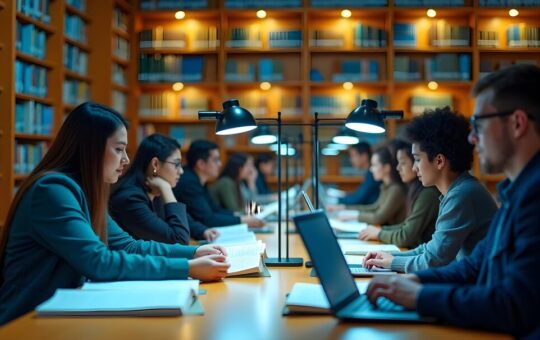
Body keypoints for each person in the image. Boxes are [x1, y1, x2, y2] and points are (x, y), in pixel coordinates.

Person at [0, 103, 230, 325]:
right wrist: (187, 268)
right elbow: (99, 262)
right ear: (91, 149)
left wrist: (194, 252)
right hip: (25, 321)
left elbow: (128, 246)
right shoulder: (51, 191)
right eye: (119, 149)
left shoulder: (86, 191)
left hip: (60, 314)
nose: (126, 160)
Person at [365, 64, 540, 338]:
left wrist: (420, 296)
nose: (472, 138)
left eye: (479, 124)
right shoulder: (515, 194)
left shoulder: (534, 198)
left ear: (517, 123)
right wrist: (415, 280)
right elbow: (473, 265)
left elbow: (514, 306)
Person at [363, 107, 497, 273]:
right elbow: (430, 249)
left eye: (417, 159)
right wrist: (389, 257)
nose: (414, 167)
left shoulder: (461, 195)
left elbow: (434, 260)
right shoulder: (457, 190)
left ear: (439, 161)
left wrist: (392, 263)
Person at [110, 134, 219, 244]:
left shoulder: (153, 190)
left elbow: (183, 219)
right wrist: (166, 189)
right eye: (176, 164)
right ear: (155, 164)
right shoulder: (130, 199)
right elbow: (179, 240)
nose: (181, 171)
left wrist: (203, 231)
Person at [359, 140, 439, 248]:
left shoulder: (427, 194)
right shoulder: (415, 190)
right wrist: (380, 230)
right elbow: (405, 226)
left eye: (403, 163)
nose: (397, 168)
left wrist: (379, 233)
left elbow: (405, 236)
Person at [173, 140, 263, 228]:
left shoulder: (200, 181)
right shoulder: (190, 183)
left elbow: (214, 209)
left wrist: (243, 215)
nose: (220, 164)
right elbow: (208, 219)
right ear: (201, 164)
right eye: (216, 160)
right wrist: (243, 219)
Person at [348, 147, 407, 225]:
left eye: (374, 165)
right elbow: (374, 207)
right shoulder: (386, 186)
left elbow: (378, 218)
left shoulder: (396, 189)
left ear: (386, 168)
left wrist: (355, 216)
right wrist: (346, 209)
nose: (371, 169)